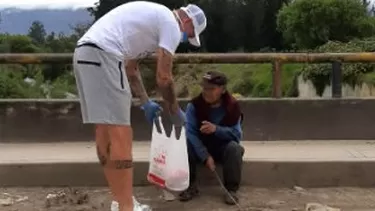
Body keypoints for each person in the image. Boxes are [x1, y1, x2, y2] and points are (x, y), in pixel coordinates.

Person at [72, 1, 207, 211]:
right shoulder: (171, 24)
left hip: (85, 55)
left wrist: (146, 103)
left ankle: (120, 201)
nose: (185, 39)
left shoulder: (151, 21)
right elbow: (164, 78)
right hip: (105, 55)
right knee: (121, 135)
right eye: (189, 34)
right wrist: (174, 110)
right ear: (187, 20)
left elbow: (131, 68)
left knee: (104, 132)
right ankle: (127, 207)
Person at [179, 71, 244, 205]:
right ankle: (190, 186)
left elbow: (237, 135)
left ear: (223, 90)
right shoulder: (194, 106)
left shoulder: (232, 106)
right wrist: (204, 155)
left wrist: (216, 129)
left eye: (212, 89)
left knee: (235, 148)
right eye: (205, 88)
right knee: (184, 144)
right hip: (200, 147)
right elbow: (190, 132)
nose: (207, 92)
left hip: (221, 146)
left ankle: (231, 190)